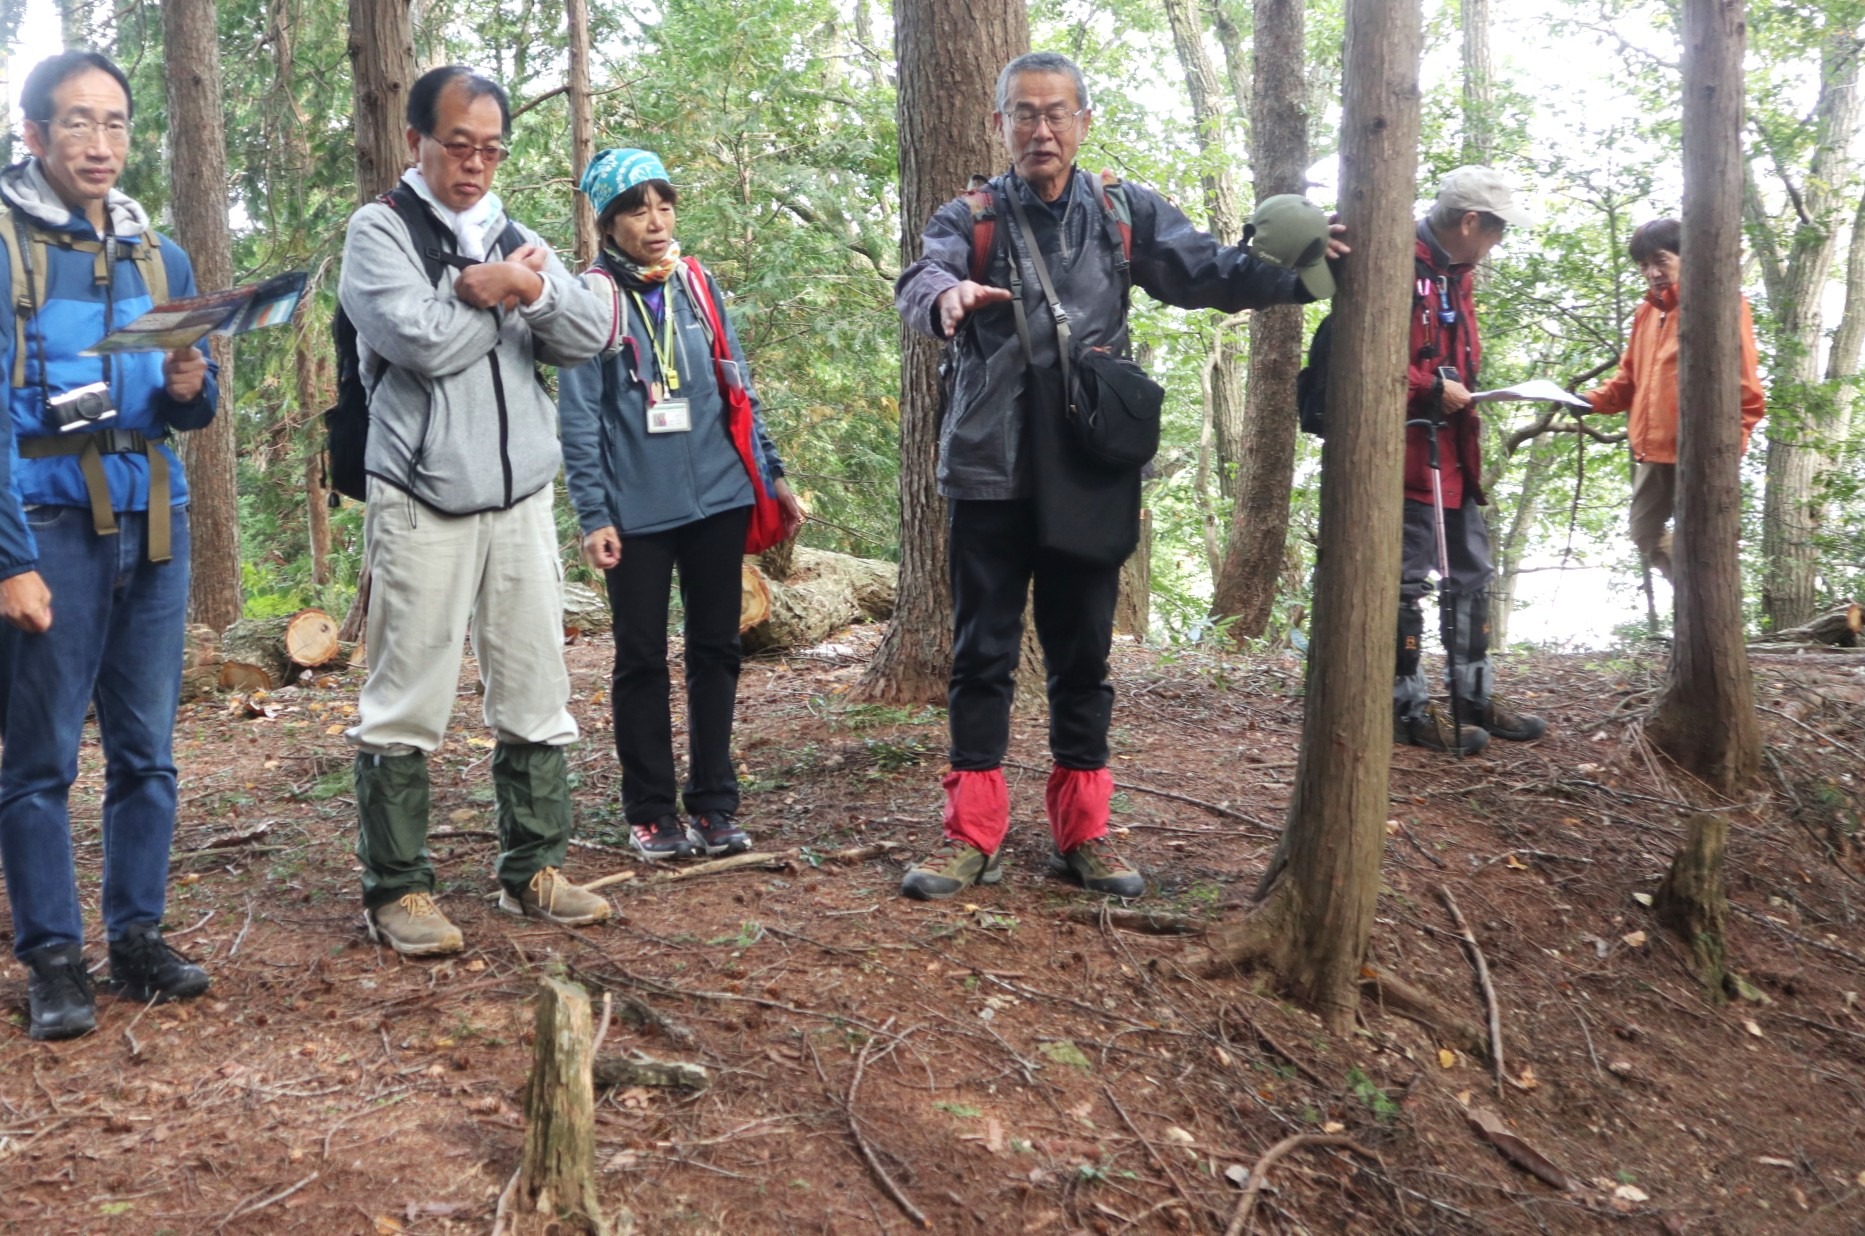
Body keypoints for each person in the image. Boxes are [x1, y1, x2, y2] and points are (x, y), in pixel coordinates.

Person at [892, 51, 1344, 901]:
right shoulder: (970, 217)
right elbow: (923, 275)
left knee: (1083, 653)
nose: (1041, 128)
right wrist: (945, 300)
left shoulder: (1120, 213)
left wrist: (1305, 274)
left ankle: (1083, 832)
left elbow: (1205, 268)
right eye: (1023, 113)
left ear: (1083, 121)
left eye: (1057, 112)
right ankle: (970, 833)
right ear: (999, 126)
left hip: (1089, 468)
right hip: (988, 470)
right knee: (981, 652)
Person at [339, 66, 614, 957]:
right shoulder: (379, 231)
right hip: (420, 497)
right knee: (405, 700)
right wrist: (491, 291)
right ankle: (400, 890)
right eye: (458, 144)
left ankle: (534, 867)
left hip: (522, 496)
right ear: (416, 139)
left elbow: (585, 338)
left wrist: (528, 287)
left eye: (492, 148)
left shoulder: (515, 236)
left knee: (536, 687)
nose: (476, 163)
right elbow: (414, 341)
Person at [0, 50, 216, 1039]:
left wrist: (187, 388)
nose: (100, 143)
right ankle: (52, 958)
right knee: (41, 758)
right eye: (77, 123)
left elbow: (195, 404)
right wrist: (10, 561)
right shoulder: (6, 247)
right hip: (48, 525)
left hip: (153, 520)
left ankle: (136, 938)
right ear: (35, 134)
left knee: (149, 754)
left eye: (116, 123)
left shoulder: (157, 256)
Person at [559, 148, 803, 861]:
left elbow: (735, 379)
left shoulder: (696, 283)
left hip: (719, 497)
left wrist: (772, 470)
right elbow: (578, 418)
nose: (656, 221)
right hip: (635, 514)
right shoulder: (594, 298)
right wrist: (592, 514)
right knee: (639, 658)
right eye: (637, 209)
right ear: (609, 224)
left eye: (663, 205)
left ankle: (716, 804)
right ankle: (650, 812)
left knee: (717, 650)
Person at [1393, 166, 1548, 755]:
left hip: (1455, 450)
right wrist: (1429, 387)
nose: (1498, 242)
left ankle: (1473, 697)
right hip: (1406, 451)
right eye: (1498, 230)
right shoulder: (1398, 262)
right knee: (1406, 583)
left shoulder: (1459, 275)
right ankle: (1405, 710)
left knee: (1473, 572)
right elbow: (1369, 358)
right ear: (1470, 222)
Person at [1579, 217, 1766, 578]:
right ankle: (1691, 602)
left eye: (1660, 260)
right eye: (1644, 265)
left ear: (1687, 256)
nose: (1652, 272)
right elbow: (1628, 381)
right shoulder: (1646, 313)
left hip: (1702, 449)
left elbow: (1746, 384)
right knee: (1645, 533)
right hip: (1651, 448)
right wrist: (1588, 400)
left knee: (1705, 543)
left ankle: (1706, 616)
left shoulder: (1723, 304)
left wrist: (1732, 443)